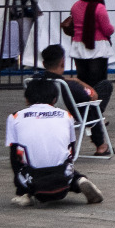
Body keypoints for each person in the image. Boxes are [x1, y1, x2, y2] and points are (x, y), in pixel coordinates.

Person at [7, 78, 103, 207]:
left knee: (19, 156)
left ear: (27, 99)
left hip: (34, 180)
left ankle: (24, 193)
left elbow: (15, 156)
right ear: (54, 99)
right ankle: (78, 180)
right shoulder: (66, 115)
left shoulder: (14, 117)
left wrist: (20, 186)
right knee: (64, 164)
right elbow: (71, 150)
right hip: (63, 177)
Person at [67, 0, 115, 141]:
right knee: (99, 84)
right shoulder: (99, 8)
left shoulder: (75, 6)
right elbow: (107, 29)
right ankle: (96, 116)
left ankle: (83, 114)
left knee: (83, 83)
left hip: (79, 47)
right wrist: (112, 28)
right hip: (97, 48)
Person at [2, 0, 39, 70]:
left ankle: (26, 61)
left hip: (26, 15)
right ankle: (20, 61)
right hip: (17, 16)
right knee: (17, 40)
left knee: (25, 39)